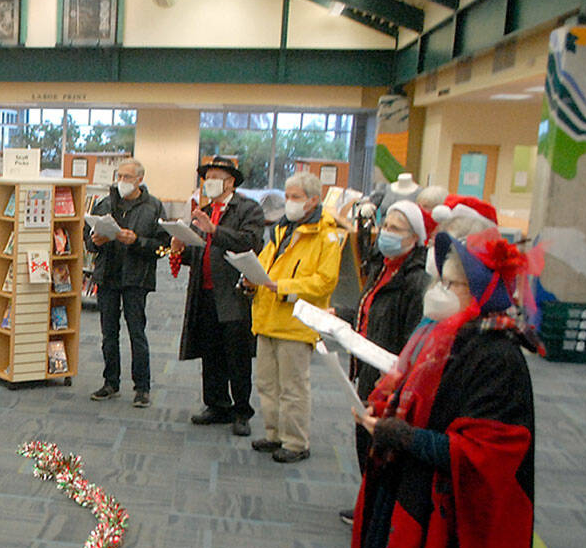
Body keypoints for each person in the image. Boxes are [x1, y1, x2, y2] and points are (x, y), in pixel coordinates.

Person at [340, 228, 538, 548]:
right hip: (413, 489)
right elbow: (414, 398)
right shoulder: (437, 336)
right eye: (443, 279)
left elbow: (488, 455)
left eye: (456, 284)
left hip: (454, 516)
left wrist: (405, 437)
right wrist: (386, 421)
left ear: (483, 294)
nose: (442, 291)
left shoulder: (498, 358)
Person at [335, 201, 432, 524]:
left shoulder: (416, 282)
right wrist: (344, 316)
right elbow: (372, 314)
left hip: (389, 376)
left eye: (395, 228)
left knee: (382, 444)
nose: (385, 233)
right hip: (367, 366)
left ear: (415, 237)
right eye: (385, 225)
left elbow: (412, 341)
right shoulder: (383, 266)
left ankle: (381, 511)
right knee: (364, 438)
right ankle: (369, 503)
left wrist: (395, 380)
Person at [247, 171, 344, 463]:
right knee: (267, 383)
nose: (289, 202)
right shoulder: (282, 229)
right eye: (287, 196)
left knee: (293, 387)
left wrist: (284, 287)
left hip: (296, 322)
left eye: (295, 197)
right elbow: (265, 263)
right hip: (267, 318)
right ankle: (274, 433)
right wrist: (251, 278)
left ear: (313, 201)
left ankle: (296, 441)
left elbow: (325, 281)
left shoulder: (326, 235)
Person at [170, 155, 265, 433]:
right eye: (206, 178)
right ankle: (216, 404)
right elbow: (199, 252)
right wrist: (181, 246)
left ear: (230, 181)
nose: (209, 183)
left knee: (237, 354)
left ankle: (241, 411)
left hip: (234, 293)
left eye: (215, 178)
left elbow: (251, 242)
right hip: (204, 291)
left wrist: (215, 230)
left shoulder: (248, 209)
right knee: (210, 351)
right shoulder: (205, 209)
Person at [86, 159, 171, 408]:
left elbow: (162, 247)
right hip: (108, 275)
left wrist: (136, 241)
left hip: (137, 278)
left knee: (137, 333)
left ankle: (142, 387)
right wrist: (95, 242)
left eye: (127, 177)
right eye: (119, 175)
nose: (121, 181)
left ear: (139, 180)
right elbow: (88, 240)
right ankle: (110, 382)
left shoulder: (153, 207)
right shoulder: (105, 203)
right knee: (108, 334)